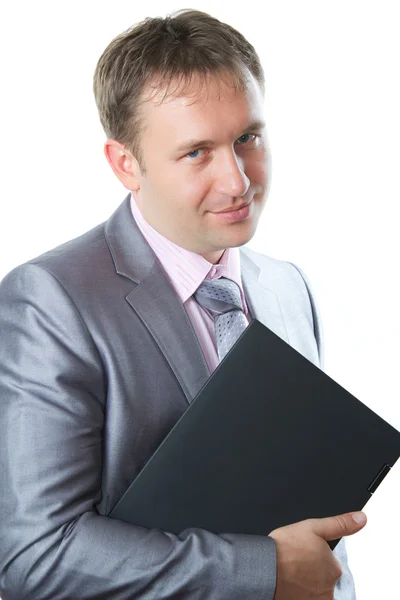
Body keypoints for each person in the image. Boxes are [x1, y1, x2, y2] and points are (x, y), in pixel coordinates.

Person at [0, 9, 366, 600]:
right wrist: (265, 571)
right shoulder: (51, 300)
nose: (238, 181)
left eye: (248, 138)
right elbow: (37, 555)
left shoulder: (288, 287)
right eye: (197, 152)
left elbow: (313, 524)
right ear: (125, 164)